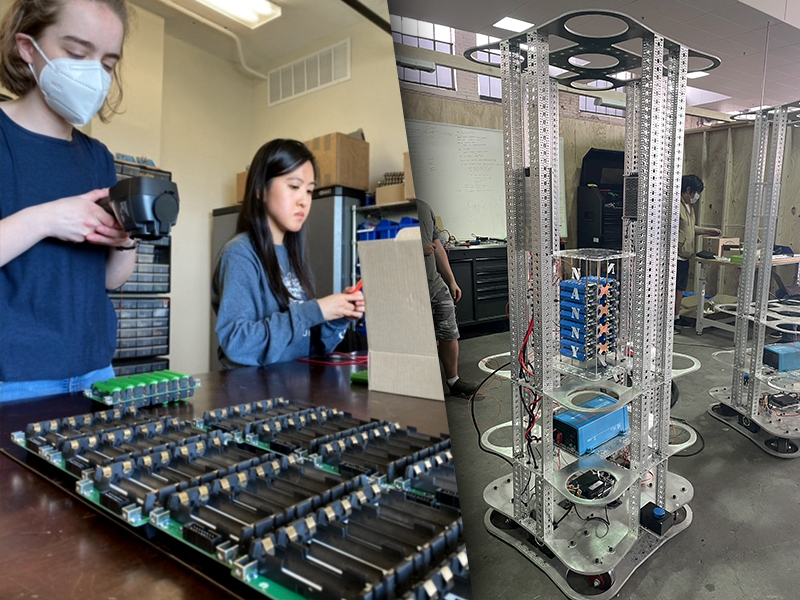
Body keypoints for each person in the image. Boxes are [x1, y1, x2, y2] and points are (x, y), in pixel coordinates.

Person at [0, 0, 136, 402]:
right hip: (14, 381)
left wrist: (126, 238)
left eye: (108, 64)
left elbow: (108, 279)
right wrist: (46, 219)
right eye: (77, 54)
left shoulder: (98, 157)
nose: (93, 73)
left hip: (96, 372)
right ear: (28, 47)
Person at [212, 139, 364, 367]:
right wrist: (315, 310)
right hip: (253, 395)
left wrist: (336, 316)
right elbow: (237, 343)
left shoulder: (291, 255)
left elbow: (308, 345)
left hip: (292, 389)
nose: (304, 201)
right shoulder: (240, 254)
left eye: (310, 191)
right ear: (260, 190)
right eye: (294, 187)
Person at [416, 199, 478, 399]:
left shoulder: (424, 207)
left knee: (449, 332)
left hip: (434, 284)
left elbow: (437, 247)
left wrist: (451, 280)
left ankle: (453, 381)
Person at [675, 174, 720, 333]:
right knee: (673, 289)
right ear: (688, 190)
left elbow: (689, 229)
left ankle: (676, 317)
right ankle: (671, 320)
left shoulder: (689, 208)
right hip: (675, 255)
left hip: (685, 254)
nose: (696, 197)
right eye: (695, 193)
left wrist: (708, 231)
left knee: (680, 288)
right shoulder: (676, 205)